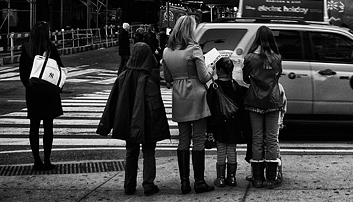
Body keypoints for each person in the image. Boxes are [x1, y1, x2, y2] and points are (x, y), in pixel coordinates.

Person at [97, 42, 170, 195]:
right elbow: (156, 107)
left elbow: (112, 103)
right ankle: (148, 184)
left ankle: (129, 185)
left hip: (128, 123)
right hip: (148, 123)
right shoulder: (149, 79)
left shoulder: (122, 77)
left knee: (131, 152)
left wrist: (105, 126)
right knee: (149, 151)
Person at [161, 15, 215, 194]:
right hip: (197, 95)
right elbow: (204, 76)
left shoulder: (167, 51)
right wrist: (211, 68)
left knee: (183, 139)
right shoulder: (194, 49)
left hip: (179, 96)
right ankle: (199, 181)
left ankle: (184, 182)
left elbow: (167, 78)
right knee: (198, 139)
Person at [18, 21, 63, 171]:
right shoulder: (50, 49)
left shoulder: (26, 49)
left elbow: (23, 73)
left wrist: (31, 86)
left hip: (33, 93)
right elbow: (58, 70)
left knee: (34, 126)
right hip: (49, 93)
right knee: (48, 127)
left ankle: (37, 160)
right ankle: (47, 160)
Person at [243, 26, 284, 189]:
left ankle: (258, 177)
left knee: (257, 139)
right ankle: (271, 178)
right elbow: (278, 76)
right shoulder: (277, 58)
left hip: (254, 101)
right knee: (272, 139)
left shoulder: (250, 58)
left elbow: (246, 79)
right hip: (273, 101)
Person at [208, 56, 246, 188]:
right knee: (232, 150)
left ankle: (221, 178)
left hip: (219, 124)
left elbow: (210, 107)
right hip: (233, 124)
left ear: (218, 70)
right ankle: (232, 177)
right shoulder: (236, 86)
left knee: (221, 150)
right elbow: (241, 107)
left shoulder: (214, 87)